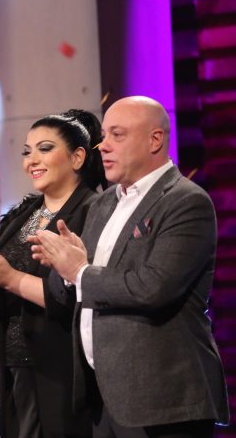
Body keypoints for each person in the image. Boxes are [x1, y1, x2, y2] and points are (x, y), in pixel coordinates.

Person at [30, 96, 229, 437]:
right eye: (104, 135)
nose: (103, 146)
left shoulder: (186, 201)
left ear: (155, 140)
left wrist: (79, 271)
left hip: (162, 400)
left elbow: (153, 287)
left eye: (117, 135)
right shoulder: (104, 203)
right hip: (103, 398)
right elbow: (74, 287)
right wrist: (65, 270)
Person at [0, 109, 106, 437]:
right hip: (16, 370)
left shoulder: (94, 212)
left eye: (45, 149)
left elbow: (80, 296)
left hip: (64, 371)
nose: (32, 161)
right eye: (27, 152)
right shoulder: (22, 214)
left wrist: (10, 278)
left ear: (78, 157)